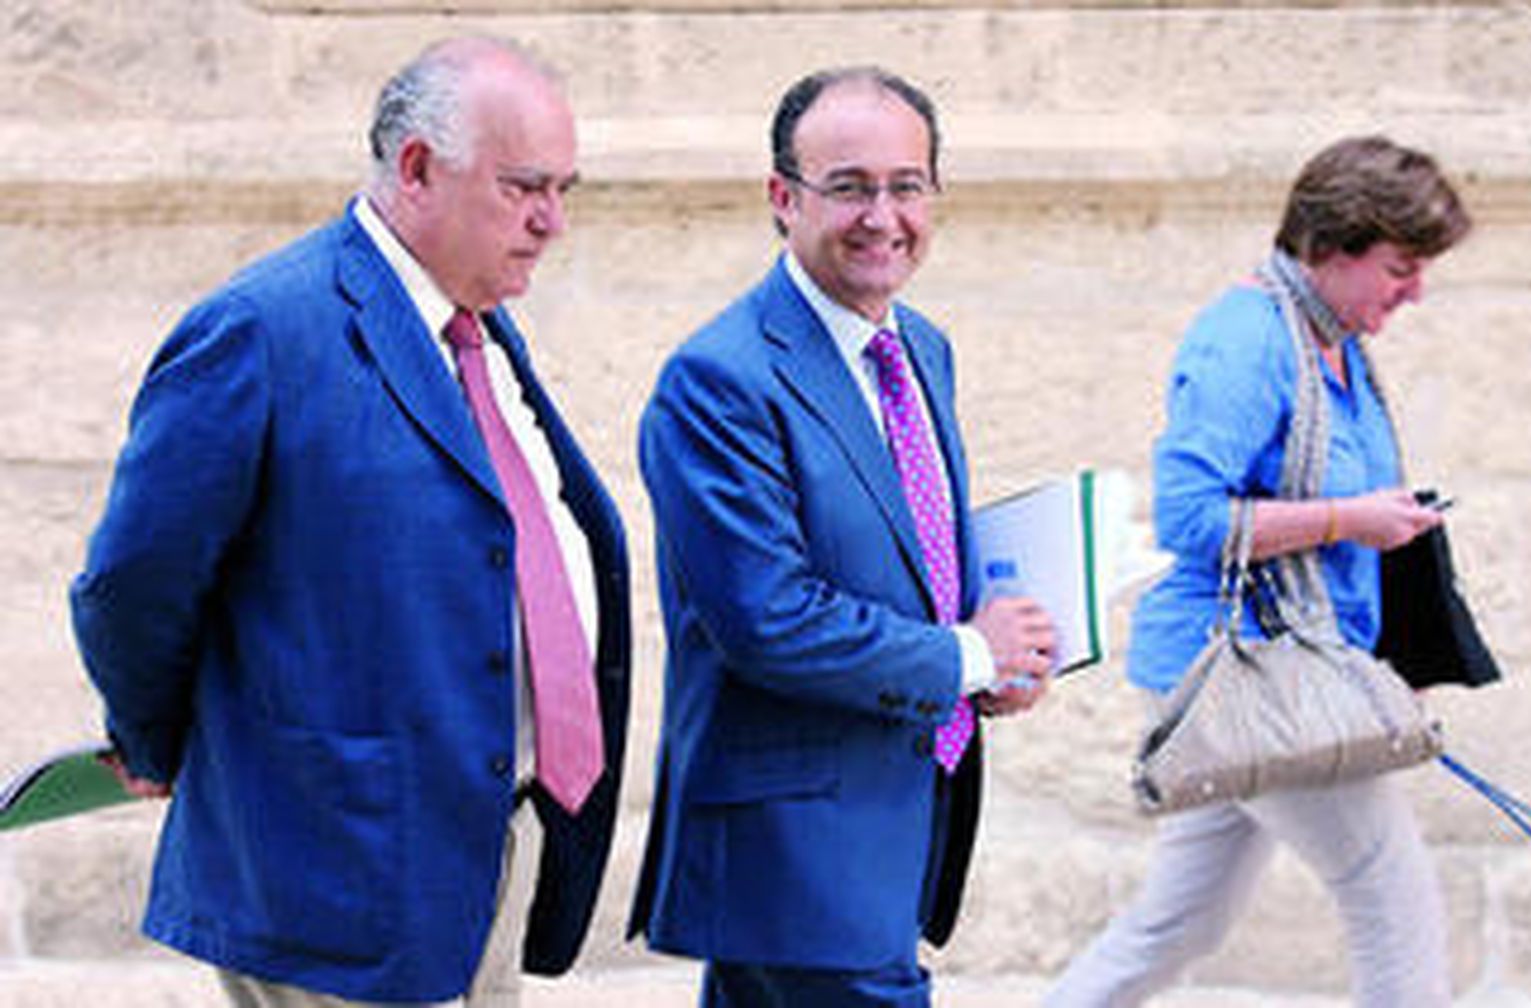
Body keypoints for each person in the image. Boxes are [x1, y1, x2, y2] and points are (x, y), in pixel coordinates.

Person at [69, 36, 631, 1007]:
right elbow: (133, 584)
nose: (552, 223)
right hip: (332, 870)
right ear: (416, 167)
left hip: (487, 850)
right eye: (524, 187)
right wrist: (160, 746)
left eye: (564, 190)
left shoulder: (478, 330)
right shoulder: (260, 328)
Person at [626, 66, 1060, 1008]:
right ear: (783, 198)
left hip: (896, 818)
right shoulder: (720, 378)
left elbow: (905, 564)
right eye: (849, 187)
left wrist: (987, 661)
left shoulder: (922, 348)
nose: (883, 215)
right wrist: (966, 655)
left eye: (906, 186)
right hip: (795, 845)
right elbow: (769, 619)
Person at [1043, 135, 1473, 1007]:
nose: (1416, 289)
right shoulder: (1247, 343)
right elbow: (1191, 518)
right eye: (1400, 266)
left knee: (1179, 923)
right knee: (1397, 905)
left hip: (1273, 668)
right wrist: (1351, 519)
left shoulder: (1331, 342)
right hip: (1246, 675)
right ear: (1332, 245)